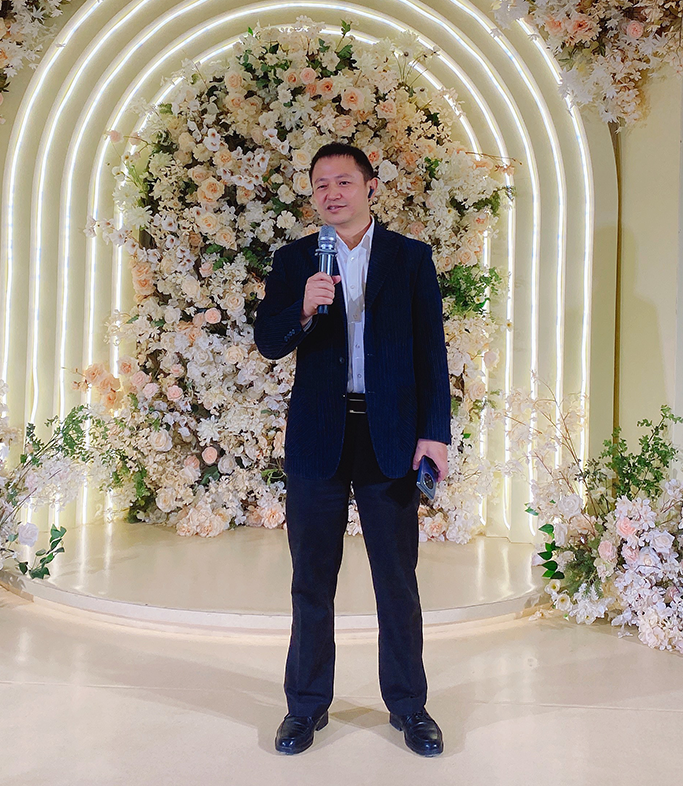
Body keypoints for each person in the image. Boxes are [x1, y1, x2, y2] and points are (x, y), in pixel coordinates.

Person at [253, 143, 451, 757]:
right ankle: (305, 707)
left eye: (343, 181)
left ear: (370, 187)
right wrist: (302, 308)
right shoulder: (295, 261)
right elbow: (268, 341)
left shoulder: (410, 259)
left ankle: (410, 706)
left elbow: (431, 352)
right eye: (321, 185)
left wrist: (435, 433)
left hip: (389, 436)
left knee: (397, 582)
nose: (331, 193)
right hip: (319, 437)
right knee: (311, 582)